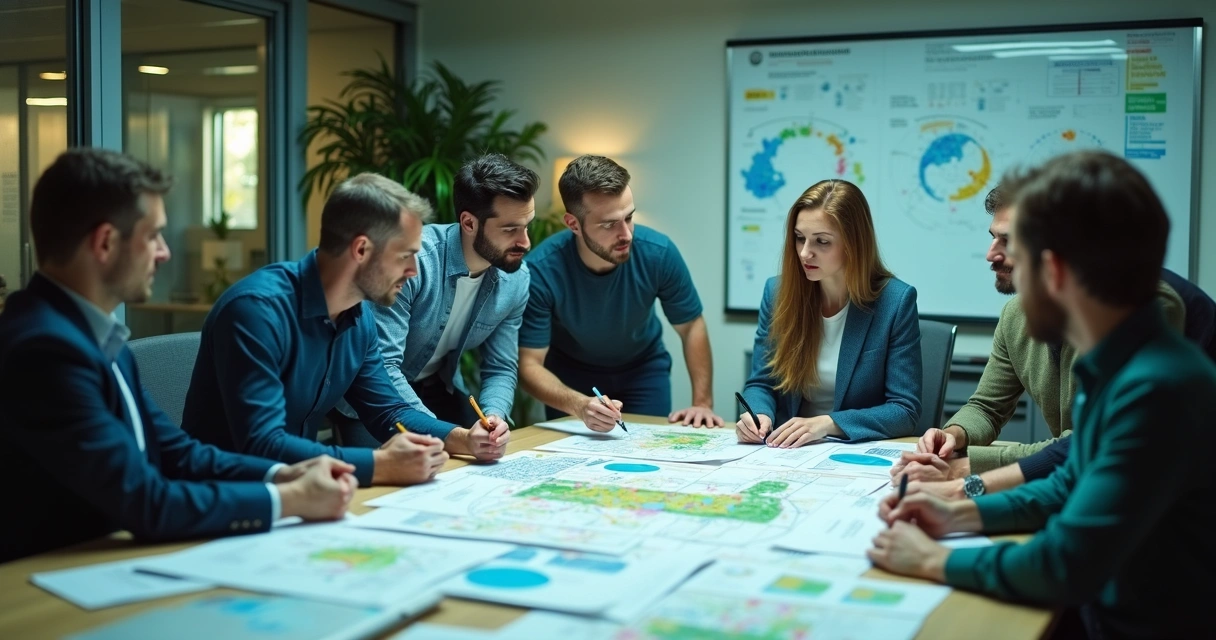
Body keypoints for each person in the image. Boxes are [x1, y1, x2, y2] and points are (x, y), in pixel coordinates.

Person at [869, 151, 1216, 640]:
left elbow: (1066, 563)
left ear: (1052, 270)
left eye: (1020, 257)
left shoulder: (1157, 387)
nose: (998, 262)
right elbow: (1066, 484)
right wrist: (957, 513)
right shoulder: (1118, 364)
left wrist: (932, 560)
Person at [1, 148, 353, 563]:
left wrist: (281, 474)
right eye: (153, 236)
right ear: (105, 242)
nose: (165, 252)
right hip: (52, 578)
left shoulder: (94, 334)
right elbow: (147, 502)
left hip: (108, 560)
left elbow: (178, 453)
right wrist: (290, 500)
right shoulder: (45, 349)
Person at [182, 173, 496, 488]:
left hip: (302, 491)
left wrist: (464, 438)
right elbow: (262, 443)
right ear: (361, 250)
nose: (413, 271)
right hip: (222, 494)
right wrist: (378, 465)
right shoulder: (255, 311)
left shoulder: (358, 316)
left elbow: (388, 411)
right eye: (405, 256)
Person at [891, 186, 1186, 492]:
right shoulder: (1016, 315)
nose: (991, 254)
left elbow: (1090, 442)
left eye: (1008, 241)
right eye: (993, 237)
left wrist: (966, 470)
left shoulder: (1135, 310)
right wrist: (954, 434)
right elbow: (987, 407)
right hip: (1081, 481)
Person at [331, 154, 534, 455]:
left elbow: (501, 365)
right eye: (509, 230)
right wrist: (447, 435)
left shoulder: (515, 277)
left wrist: (495, 416)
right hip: (376, 398)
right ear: (469, 222)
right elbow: (383, 367)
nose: (525, 242)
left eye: (527, 226)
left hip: (437, 387)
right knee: (410, 471)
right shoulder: (410, 264)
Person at [518, 155, 723, 431]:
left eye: (629, 217)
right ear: (573, 224)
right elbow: (529, 364)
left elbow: (691, 326)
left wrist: (703, 403)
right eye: (609, 224)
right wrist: (579, 405)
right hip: (571, 378)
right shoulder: (541, 271)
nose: (626, 234)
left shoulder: (658, 253)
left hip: (643, 371)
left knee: (648, 447)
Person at [737, 179, 921, 447]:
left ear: (853, 243)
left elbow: (904, 410)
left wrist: (827, 423)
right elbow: (762, 383)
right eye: (799, 238)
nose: (804, 253)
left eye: (821, 241)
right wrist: (759, 414)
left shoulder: (895, 301)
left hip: (853, 451)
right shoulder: (777, 293)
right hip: (785, 450)